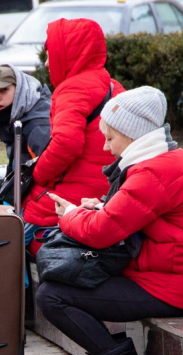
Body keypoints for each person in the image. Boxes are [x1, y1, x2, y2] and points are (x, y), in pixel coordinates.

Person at [38, 86, 183, 355]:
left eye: (110, 137)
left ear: (132, 134)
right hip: (175, 277)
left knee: (52, 296)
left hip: (178, 287)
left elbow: (101, 232)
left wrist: (70, 215)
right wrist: (100, 207)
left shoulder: (152, 173)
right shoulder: (161, 161)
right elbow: (127, 218)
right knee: (59, 287)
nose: (105, 147)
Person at [22, 18, 126, 256]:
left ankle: (19, 291)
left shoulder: (72, 88)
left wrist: (37, 174)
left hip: (69, 201)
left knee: (9, 235)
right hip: (105, 194)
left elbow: (66, 144)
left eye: (51, 54)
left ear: (68, 53)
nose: (47, 63)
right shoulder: (111, 85)